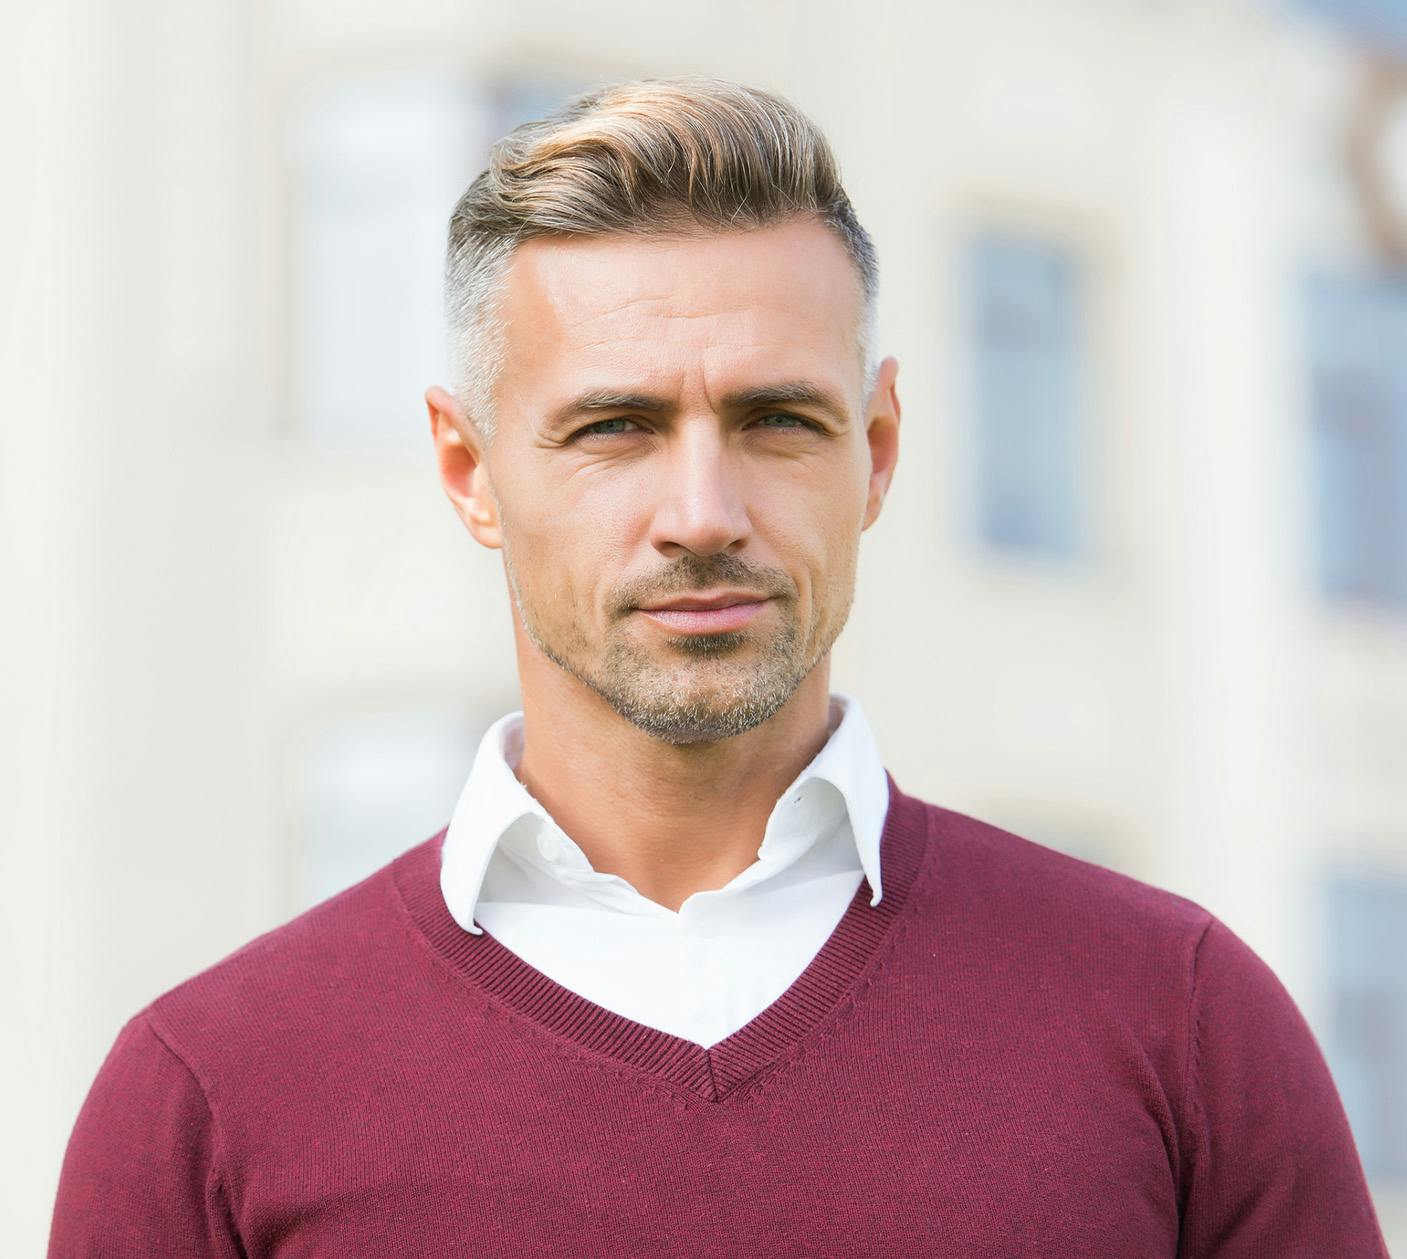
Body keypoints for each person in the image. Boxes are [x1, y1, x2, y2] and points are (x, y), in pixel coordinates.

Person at [48, 76, 1389, 1257]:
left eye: (776, 421)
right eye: (616, 427)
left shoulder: (1181, 1025)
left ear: (877, 449)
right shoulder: (210, 1097)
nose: (702, 510)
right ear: (469, 470)